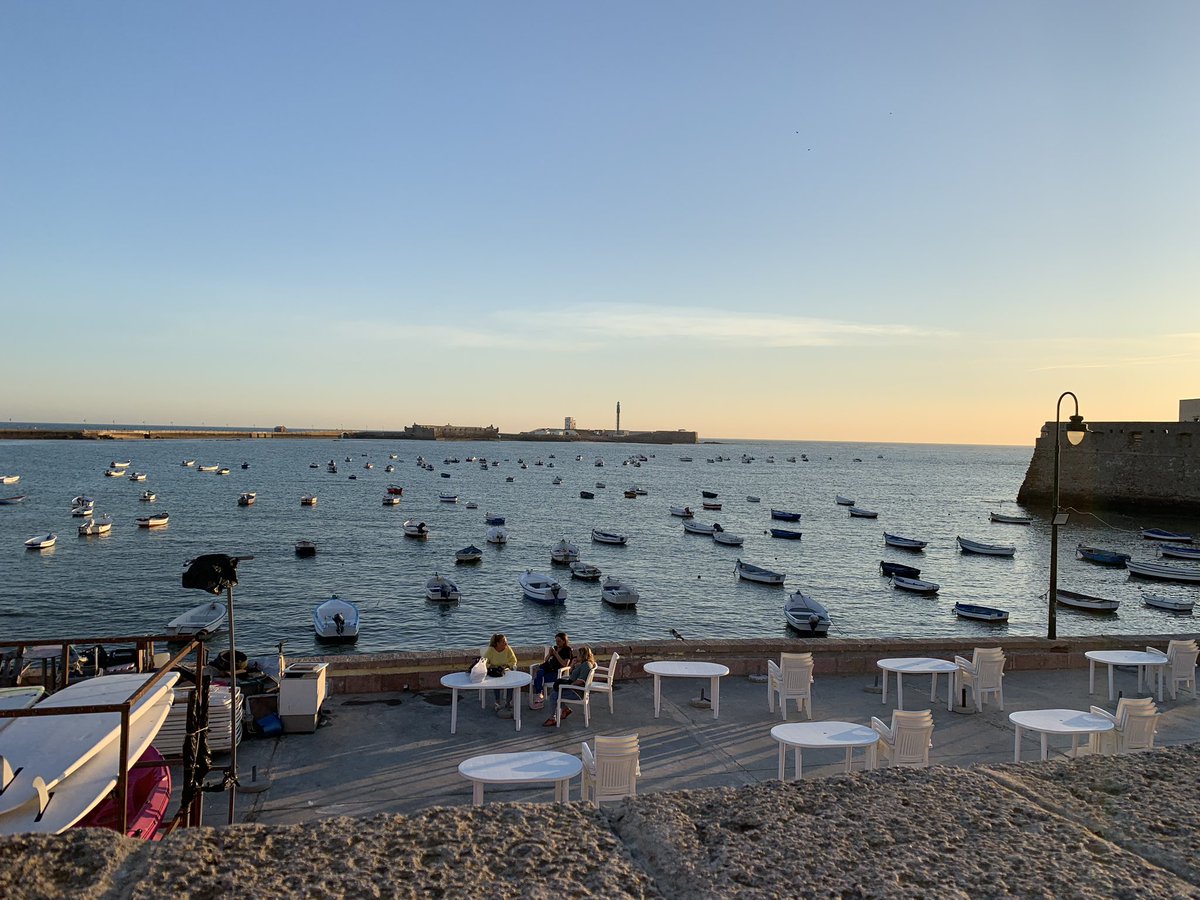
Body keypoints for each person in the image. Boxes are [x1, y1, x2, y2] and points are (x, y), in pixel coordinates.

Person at [543, 646, 596, 726]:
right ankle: (565, 710)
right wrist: (573, 664)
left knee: (554, 695)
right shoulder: (583, 664)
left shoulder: (586, 666)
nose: (576, 656)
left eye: (578, 654)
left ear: (582, 655)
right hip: (576, 689)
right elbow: (572, 674)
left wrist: (568, 685)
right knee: (555, 690)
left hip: (577, 692)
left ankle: (552, 718)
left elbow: (580, 681)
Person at [530, 632, 572, 710]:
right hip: (547, 668)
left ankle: (539, 699)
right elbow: (545, 660)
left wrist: (556, 654)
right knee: (539, 673)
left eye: (559, 641)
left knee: (537, 679)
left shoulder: (567, 650)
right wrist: (549, 654)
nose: (557, 643)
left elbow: (565, 664)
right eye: (556, 641)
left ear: (564, 641)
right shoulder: (555, 648)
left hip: (557, 672)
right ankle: (540, 696)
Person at [484, 633, 518, 716]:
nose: (505, 643)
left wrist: (506, 666)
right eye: (503, 642)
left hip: (506, 670)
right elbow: (484, 662)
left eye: (506, 641)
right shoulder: (491, 650)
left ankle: (508, 702)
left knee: (511, 683)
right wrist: (492, 666)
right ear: (497, 643)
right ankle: (497, 702)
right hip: (495, 671)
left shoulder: (508, 649)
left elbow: (514, 661)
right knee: (496, 682)